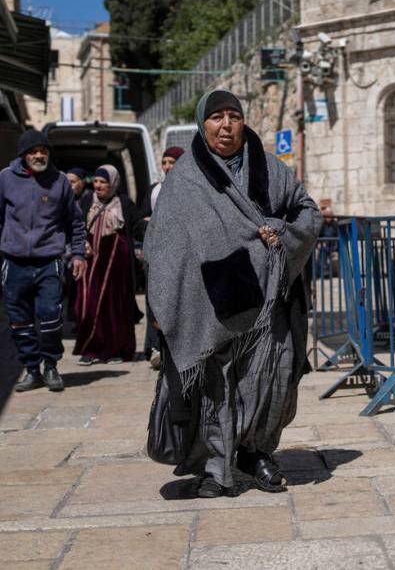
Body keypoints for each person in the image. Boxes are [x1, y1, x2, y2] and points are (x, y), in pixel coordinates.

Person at [144, 89, 321, 498]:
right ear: (203, 125)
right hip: (209, 302)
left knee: (269, 378)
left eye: (234, 117)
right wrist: (160, 303)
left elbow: (306, 211)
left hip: (267, 300)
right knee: (215, 386)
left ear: (244, 122)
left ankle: (256, 452)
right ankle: (214, 468)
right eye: (217, 117)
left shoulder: (269, 169)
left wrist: (280, 231)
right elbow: (162, 244)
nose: (226, 125)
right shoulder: (185, 177)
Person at [0, 129, 86, 392]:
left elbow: (75, 221)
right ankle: (31, 369)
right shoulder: (6, 178)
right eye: (33, 151)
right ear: (23, 155)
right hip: (14, 262)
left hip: (49, 261)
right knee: (19, 320)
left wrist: (79, 254)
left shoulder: (59, 181)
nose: (39, 155)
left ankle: (50, 366)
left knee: (50, 317)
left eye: (43, 151)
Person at [73, 165, 142, 365]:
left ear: (113, 184)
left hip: (116, 262)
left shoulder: (124, 204)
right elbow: (77, 225)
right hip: (90, 259)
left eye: (104, 182)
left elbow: (137, 228)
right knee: (88, 305)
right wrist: (81, 244)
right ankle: (90, 349)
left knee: (115, 307)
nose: (99, 186)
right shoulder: (86, 201)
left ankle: (118, 350)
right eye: (96, 181)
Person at [137, 146, 184, 368]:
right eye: (164, 162)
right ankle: (155, 347)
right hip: (156, 256)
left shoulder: (191, 188)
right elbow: (140, 221)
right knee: (154, 301)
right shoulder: (155, 190)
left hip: (181, 257)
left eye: (172, 162)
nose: (167, 167)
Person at [63, 167, 91, 331]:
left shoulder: (88, 200)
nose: (69, 185)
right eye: (67, 182)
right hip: (67, 251)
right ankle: (75, 318)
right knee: (72, 287)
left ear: (82, 182)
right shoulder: (63, 199)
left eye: (72, 182)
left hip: (84, 250)